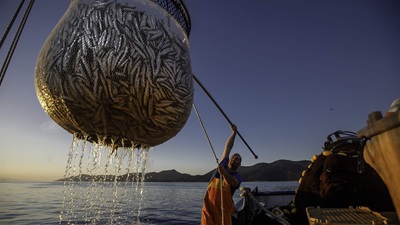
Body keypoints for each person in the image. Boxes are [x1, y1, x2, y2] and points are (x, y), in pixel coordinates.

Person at [201, 124, 243, 225]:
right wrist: (234, 133)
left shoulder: (237, 176)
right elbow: (228, 147)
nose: (233, 158)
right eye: (233, 157)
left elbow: (234, 182)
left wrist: (224, 174)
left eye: (237, 159)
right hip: (208, 207)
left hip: (223, 211)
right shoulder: (223, 163)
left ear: (239, 164)